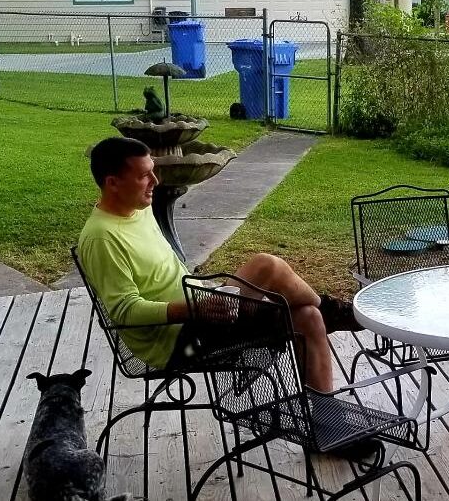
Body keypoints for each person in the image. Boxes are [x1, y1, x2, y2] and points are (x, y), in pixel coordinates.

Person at [77, 136, 360, 393]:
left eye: (153, 170)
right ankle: (337, 311)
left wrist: (206, 297)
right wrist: (194, 309)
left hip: (203, 310)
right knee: (269, 268)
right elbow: (125, 312)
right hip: (179, 342)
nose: (155, 180)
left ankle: (324, 416)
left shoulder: (137, 209)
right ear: (112, 183)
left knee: (308, 316)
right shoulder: (102, 238)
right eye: (143, 175)